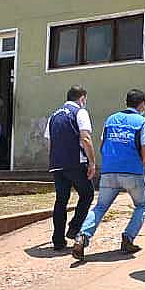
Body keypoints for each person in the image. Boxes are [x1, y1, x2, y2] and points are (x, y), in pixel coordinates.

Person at [72, 89, 145, 261]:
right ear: (142, 104)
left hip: (109, 170)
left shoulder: (111, 119)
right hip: (132, 171)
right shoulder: (143, 122)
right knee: (142, 205)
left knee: (100, 207)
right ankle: (128, 238)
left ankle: (82, 236)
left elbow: (103, 143)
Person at [44, 85, 97, 251]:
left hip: (57, 164)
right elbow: (86, 138)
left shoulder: (54, 115)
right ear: (81, 98)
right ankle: (74, 227)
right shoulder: (80, 112)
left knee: (61, 200)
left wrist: (54, 159)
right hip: (75, 162)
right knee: (87, 194)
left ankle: (58, 239)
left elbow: (49, 142)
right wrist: (92, 162)